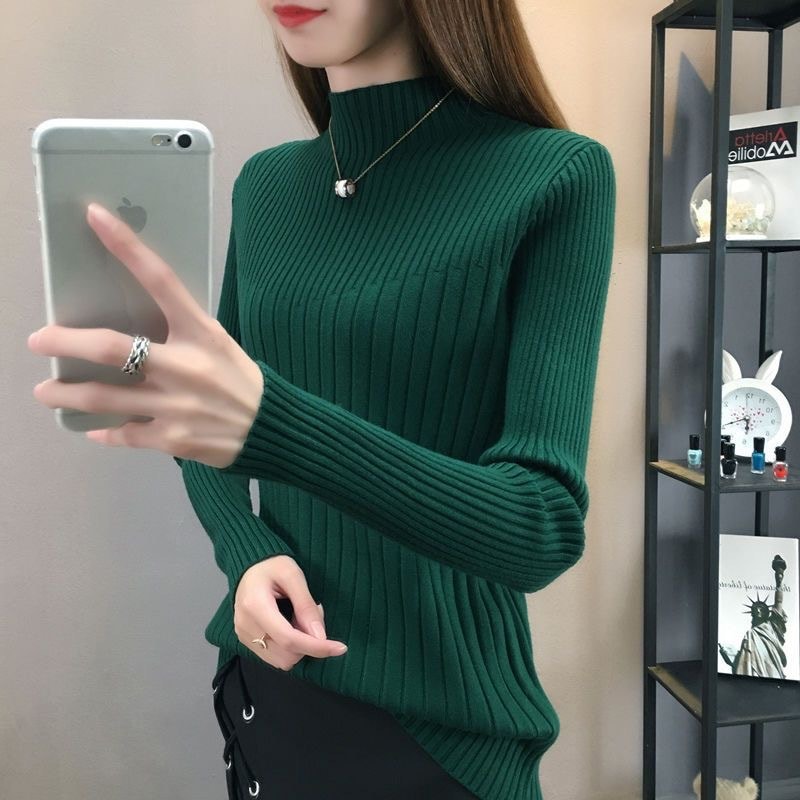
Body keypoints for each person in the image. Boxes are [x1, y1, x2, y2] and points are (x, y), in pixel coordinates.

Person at [28, 1, 616, 798]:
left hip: (441, 734)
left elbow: (540, 526)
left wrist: (272, 423)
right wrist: (247, 551)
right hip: (266, 690)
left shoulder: (556, 174)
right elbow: (205, 419)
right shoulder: (267, 186)